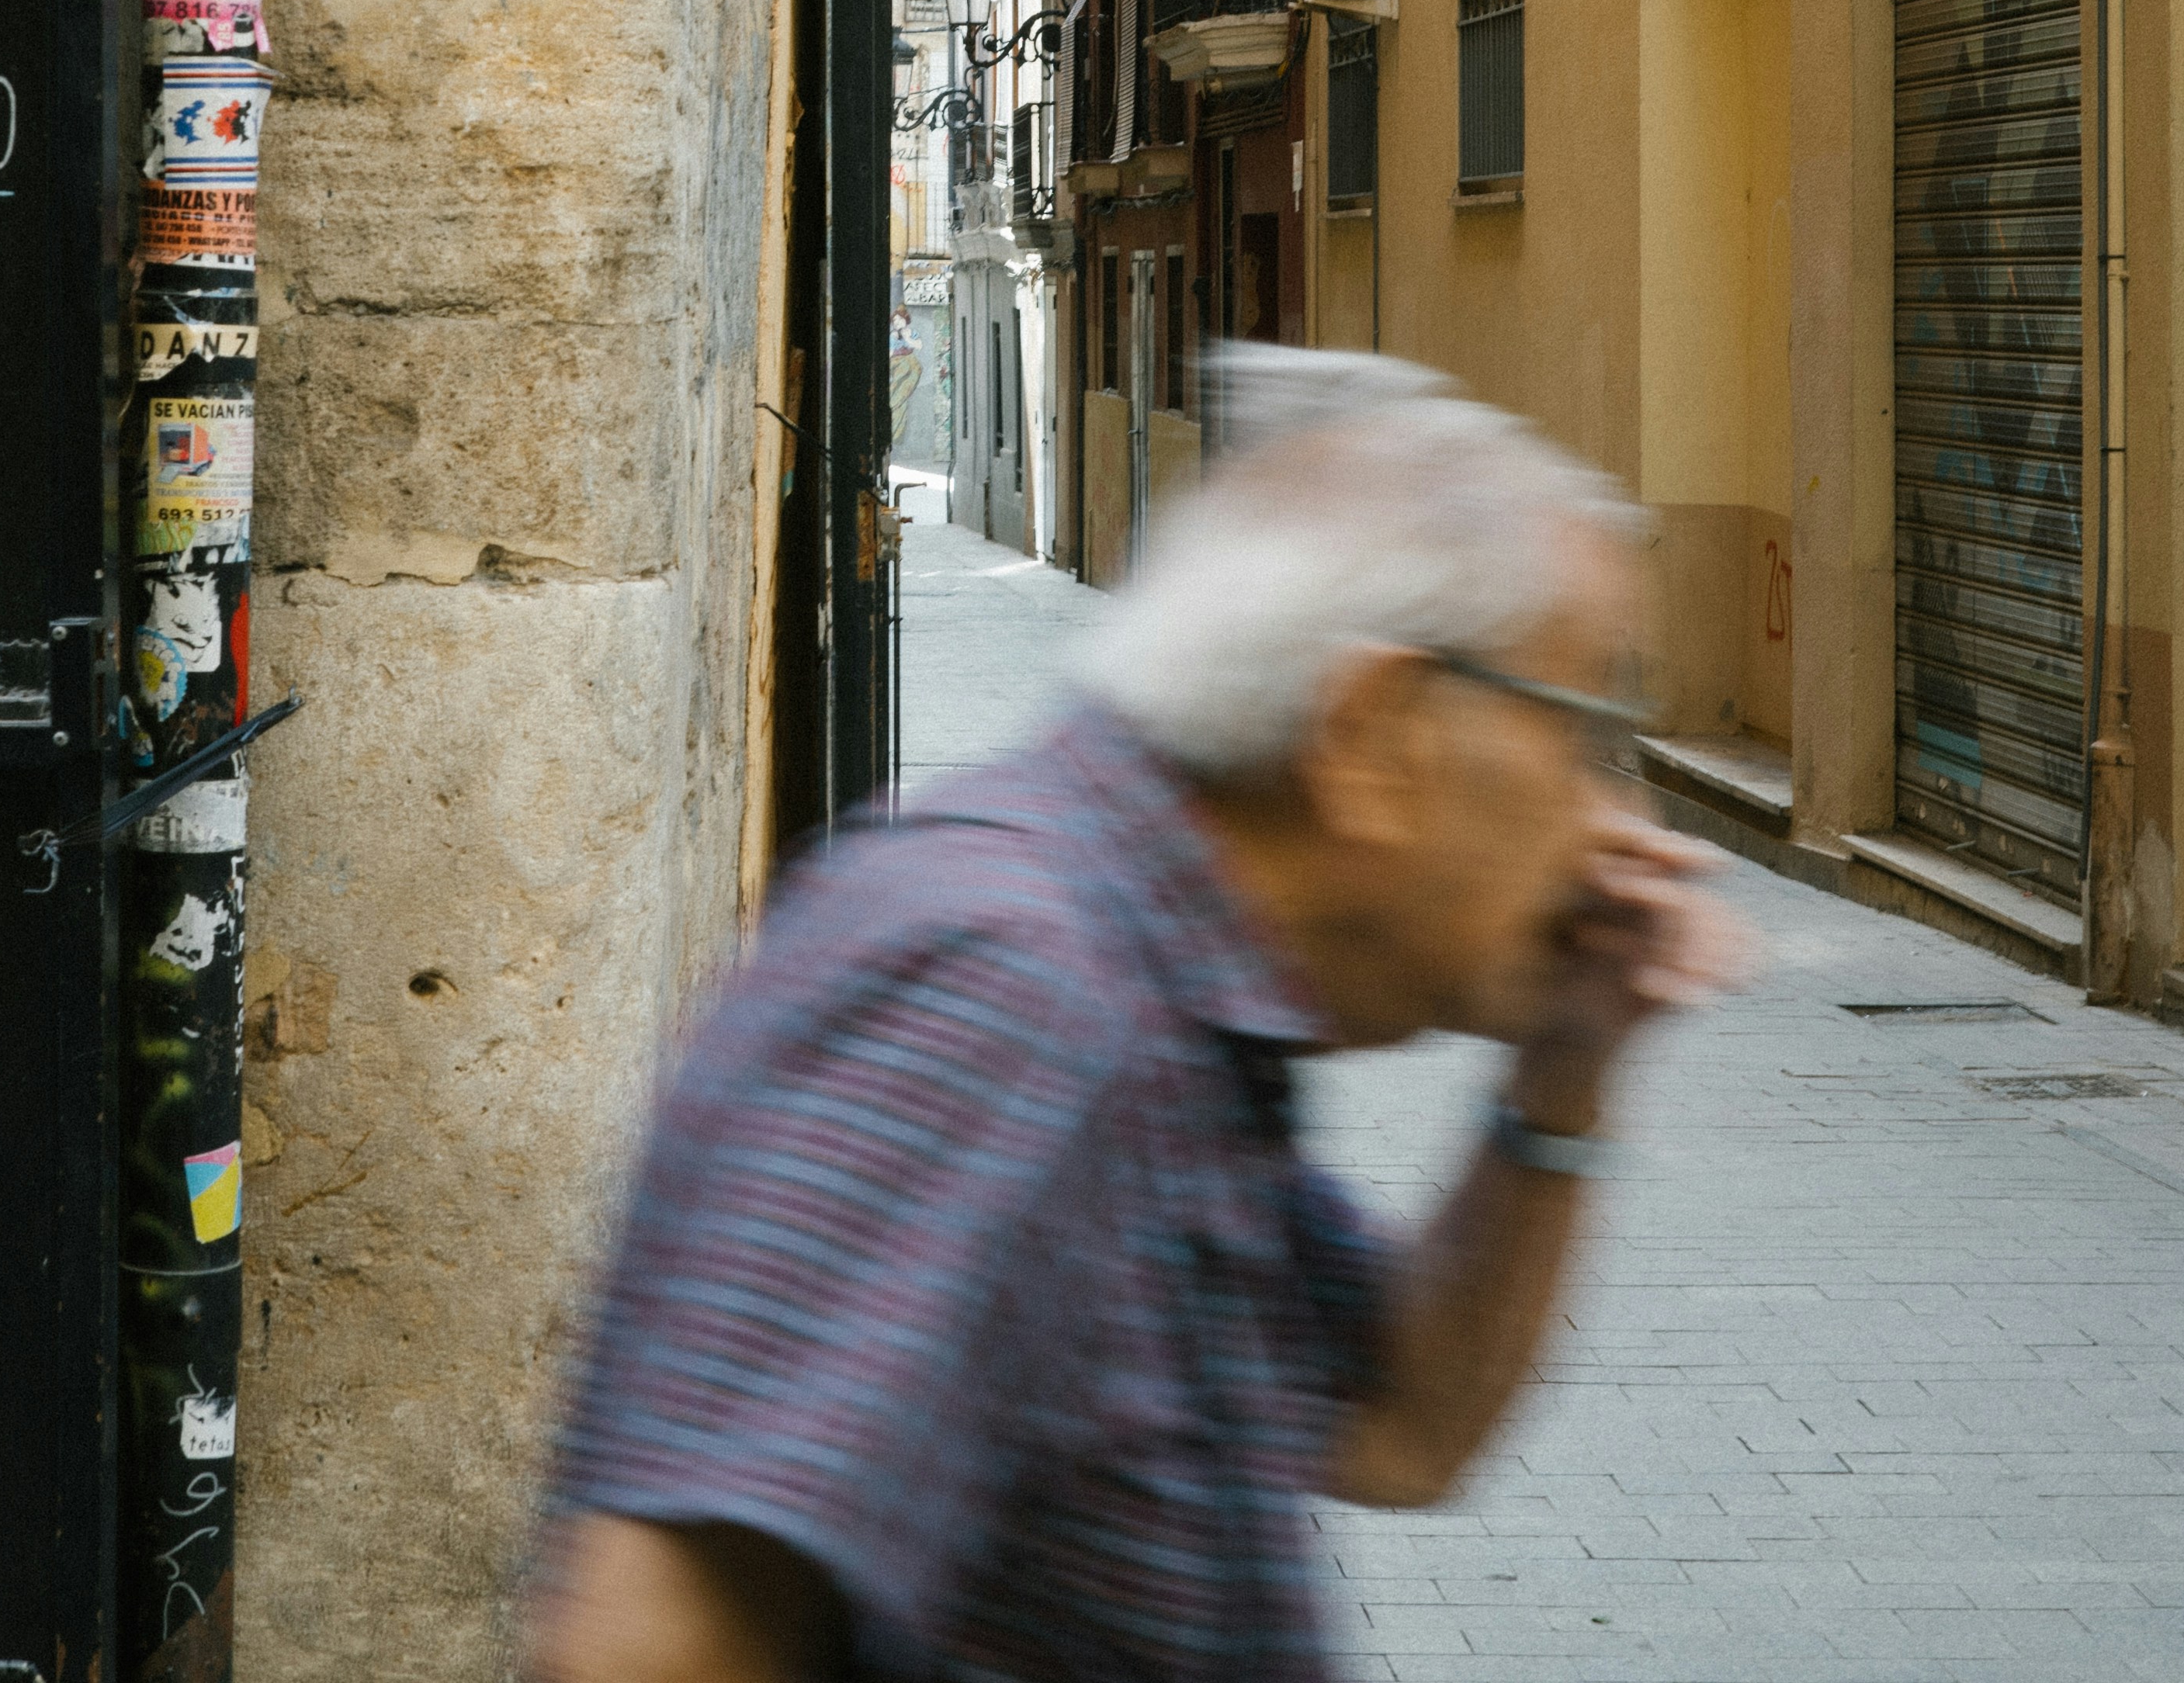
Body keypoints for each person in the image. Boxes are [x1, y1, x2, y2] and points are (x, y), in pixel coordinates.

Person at [529, 348, 1749, 1682]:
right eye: (1582, 738)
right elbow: (649, 1646)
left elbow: (1401, 1422)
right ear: (1378, 734)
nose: (1615, 824)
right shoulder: (999, 991)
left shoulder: (1174, 1001)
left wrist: (1564, 1064)